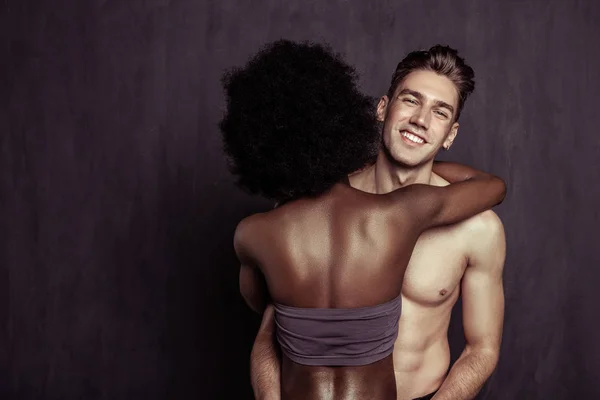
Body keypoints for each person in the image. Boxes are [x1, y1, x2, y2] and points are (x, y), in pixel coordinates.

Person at [221, 40, 506, 400]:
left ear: (450, 134)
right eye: (411, 100)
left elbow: (482, 349)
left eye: (440, 112)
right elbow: (271, 329)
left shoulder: (479, 230)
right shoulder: (313, 207)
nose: (420, 119)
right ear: (382, 108)